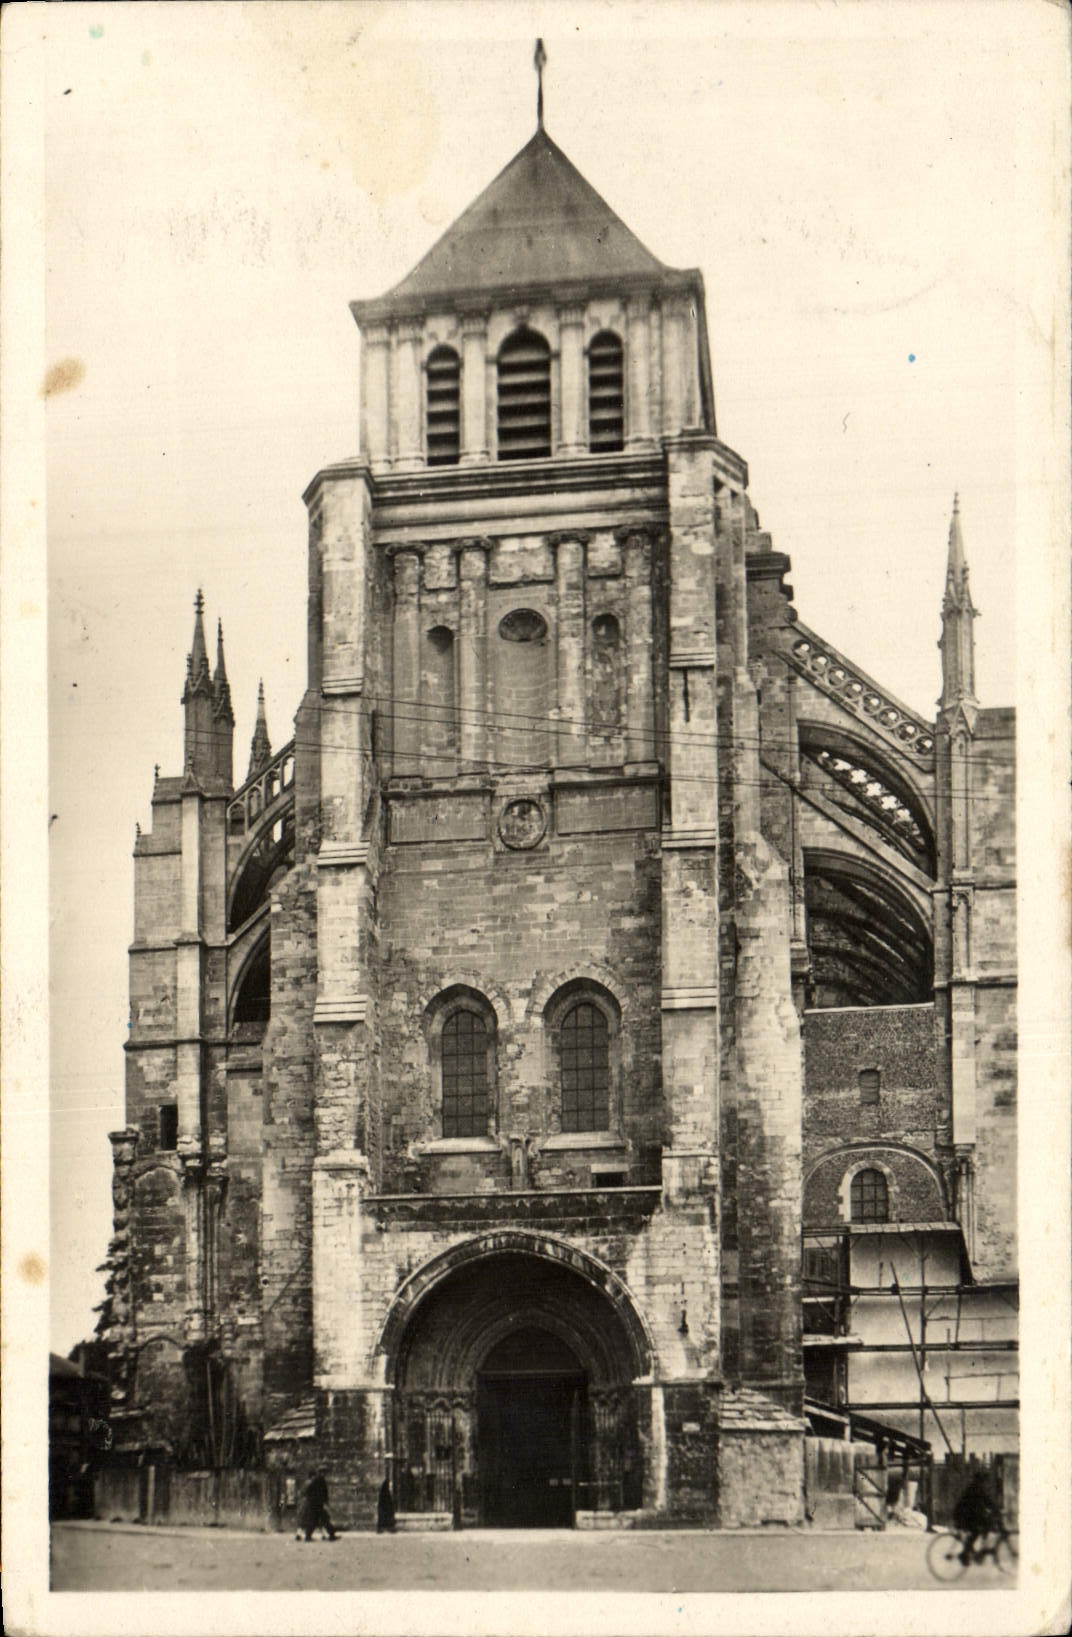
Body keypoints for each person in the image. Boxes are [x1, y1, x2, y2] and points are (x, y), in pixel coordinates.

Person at [952, 1469, 1001, 1564]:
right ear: (981, 1480)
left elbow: (984, 1504)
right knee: (977, 1529)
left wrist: (990, 1511)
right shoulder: (977, 1488)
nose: (986, 1483)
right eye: (984, 1481)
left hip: (967, 1515)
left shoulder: (975, 1487)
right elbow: (987, 1501)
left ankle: (975, 1551)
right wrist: (996, 1510)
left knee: (983, 1527)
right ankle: (966, 1553)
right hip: (963, 1516)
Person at [298, 1470, 338, 1542]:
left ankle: (308, 1536)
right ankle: (331, 1535)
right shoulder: (319, 1480)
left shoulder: (315, 1480)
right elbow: (323, 1492)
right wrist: (325, 1501)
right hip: (317, 1504)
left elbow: (308, 1491)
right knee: (323, 1519)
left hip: (315, 1503)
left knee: (314, 1520)